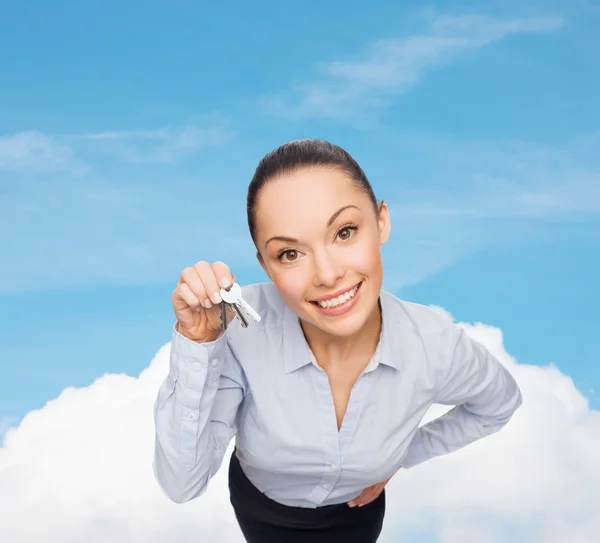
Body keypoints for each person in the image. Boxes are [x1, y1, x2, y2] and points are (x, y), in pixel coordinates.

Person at [152, 139, 523, 542]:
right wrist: (198, 341)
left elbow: (497, 405)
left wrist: (402, 456)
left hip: (356, 515)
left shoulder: (436, 347)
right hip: (260, 508)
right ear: (265, 264)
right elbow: (181, 484)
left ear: (381, 221)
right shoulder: (239, 330)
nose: (327, 275)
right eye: (290, 254)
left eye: (345, 232)